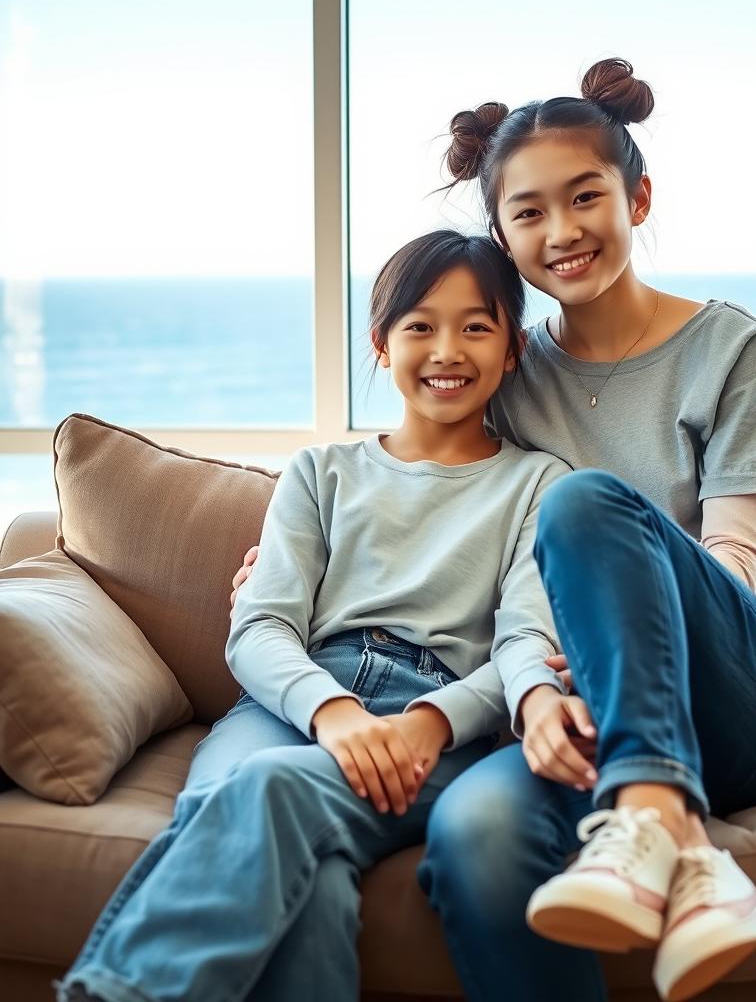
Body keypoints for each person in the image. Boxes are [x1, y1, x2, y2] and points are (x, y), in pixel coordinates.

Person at [231, 58, 756, 1002]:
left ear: (638, 199)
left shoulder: (733, 348)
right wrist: (284, 576)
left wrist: (615, 645)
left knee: (581, 502)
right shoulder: (504, 375)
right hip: (582, 702)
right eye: (528, 213)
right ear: (504, 238)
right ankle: (663, 846)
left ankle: (654, 813)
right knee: (477, 833)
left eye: (585, 197)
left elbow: (732, 556)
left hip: (754, 691)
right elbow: (460, 516)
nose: (560, 233)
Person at [55, 230, 573, 1002]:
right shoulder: (321, 472)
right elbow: (259, 628)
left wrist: (426, 724)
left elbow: (526, 642)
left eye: (476, 326)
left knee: (267, 794)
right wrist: (333, 713)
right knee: (303, 874)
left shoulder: (541, 484)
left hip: (442, 721)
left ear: (512, 352)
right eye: (420, 326)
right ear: (381, 344)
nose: (446, 349)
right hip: (293, 698)